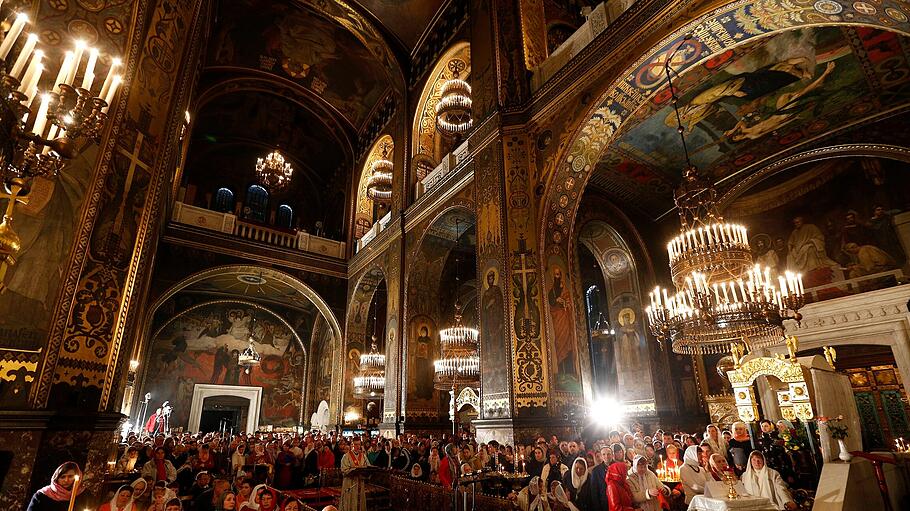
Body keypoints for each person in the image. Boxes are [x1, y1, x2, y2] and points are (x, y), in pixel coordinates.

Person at [340, 437, 370, 511]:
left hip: (360, 482)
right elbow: (344, 470)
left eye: (359, 444)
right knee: (350, 501)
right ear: (352, 445)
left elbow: (368, 466)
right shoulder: (346, 456)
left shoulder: (363, 456)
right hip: (350, 482)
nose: (357, 446)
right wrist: (354, 470)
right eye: (355, 444)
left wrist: (367, 471)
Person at [589, 446, 611, 511]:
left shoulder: (617, 467)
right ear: (601, 456)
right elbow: (594, 491)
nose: (606, 456)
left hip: (617, 501)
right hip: (604, 503)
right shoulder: (595, 471)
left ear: (612, 455)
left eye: (608, 454)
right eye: (604, 454)